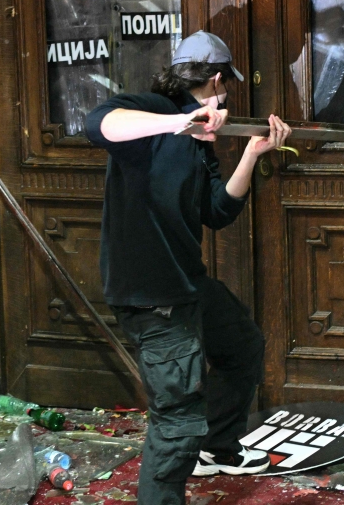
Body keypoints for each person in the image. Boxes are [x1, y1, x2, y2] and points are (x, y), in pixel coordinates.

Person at [86, 31, 292, 505]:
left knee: (242, 346)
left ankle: (217, 448)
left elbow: (217, 211)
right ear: (217, 79)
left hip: (186, 281)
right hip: (150, 293)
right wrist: (177, 121)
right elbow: (99, 124)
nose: (227, 96)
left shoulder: (202, 140)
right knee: (177, 421)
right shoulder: (152, 109)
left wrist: (251, 154)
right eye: (227, 87)